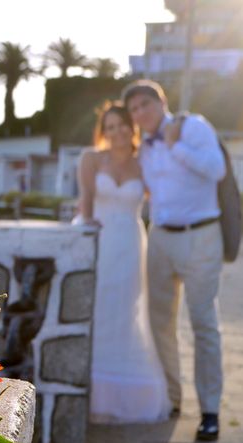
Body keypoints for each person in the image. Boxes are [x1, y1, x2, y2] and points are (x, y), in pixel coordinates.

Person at [122, 80, 225, 441]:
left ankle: (210, 410)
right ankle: (172, 397)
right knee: (158, 321)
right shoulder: (143, 149)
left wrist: (175, 145)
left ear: (161, 102)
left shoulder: (193, 127)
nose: (139, 114)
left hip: (201, 236)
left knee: (203, 322)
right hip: (161, 238)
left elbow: (217, 170)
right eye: (133, 109)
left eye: (144, 105)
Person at [77, 102, 171, 424]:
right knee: (97, 308)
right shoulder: (91, 159)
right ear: (104, 132)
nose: (117, 132)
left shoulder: (145, 163)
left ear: (133, 128)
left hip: (131, 244)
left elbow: (164, 194)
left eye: (122, 125)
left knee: (126, 310)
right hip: (100, 241)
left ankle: (127, 395)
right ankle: (88, 391)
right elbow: (85, 207)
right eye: (110, 126)